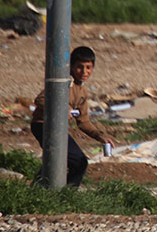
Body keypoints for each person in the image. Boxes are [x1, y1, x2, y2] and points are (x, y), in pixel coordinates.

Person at [29, 46, 115, 187]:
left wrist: (100, 137)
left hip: (58, 128)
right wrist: (63, 108)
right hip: (43, 125)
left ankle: (37, 191)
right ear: (72, 67)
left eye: (88, 67)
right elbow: (40, 100)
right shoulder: (64, 82)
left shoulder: (82, 91)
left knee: (57, 160)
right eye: (80, 67)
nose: (84, 72)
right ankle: (67, 194)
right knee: (78, 161)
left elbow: (83, 122)